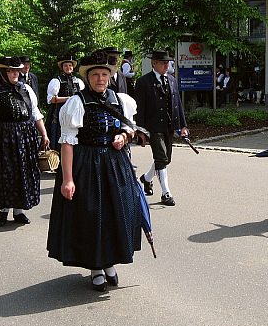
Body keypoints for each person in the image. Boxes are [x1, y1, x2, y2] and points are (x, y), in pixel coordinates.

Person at [47, 52, 144, 292]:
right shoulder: (76, 102)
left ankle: (110, 262)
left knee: (115, 213)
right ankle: (95, 268)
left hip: (114, 164)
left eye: (104, 74)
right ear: (88, 78)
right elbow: (67, 142)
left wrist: (123, 136)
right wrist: (67, 179)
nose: (100, 79)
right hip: (87, 164)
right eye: (95, 75)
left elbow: (128, 129)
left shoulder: (120, 99)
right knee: (93, 217)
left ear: (110, 77)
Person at [0, 57, 49, 225]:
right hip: (3, 138)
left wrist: (44, 133)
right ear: (2, 72)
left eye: (16, 70)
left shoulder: (26, 89)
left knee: (23, 172)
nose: (15, 73)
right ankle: (4, 209)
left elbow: (35, 112)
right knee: (5, 173)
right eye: (10, 70)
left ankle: (19, 211)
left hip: (26, 137)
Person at [135, 50, 189, 206]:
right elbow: (140, 109)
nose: (167, 65)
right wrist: (140, 131)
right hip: (153, 127)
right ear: (154, 63)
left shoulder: (172, 80)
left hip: (169, 126)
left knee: (166, 159)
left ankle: (146, 178)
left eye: (168, 62)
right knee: (161, 158)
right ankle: (166, 193)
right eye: (163, 63)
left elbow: (178, 104)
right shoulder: (143, 82)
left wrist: (183, 126)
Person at [45, 56, 85, 151]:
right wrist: (70, 99)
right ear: (62, 67)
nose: (68, 67)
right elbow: (51, 99)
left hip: (75, 113)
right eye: (66, 66)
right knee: (59, 135)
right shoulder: (56, 80)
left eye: (70, 65)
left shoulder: (78, 81)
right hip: (59, 112)